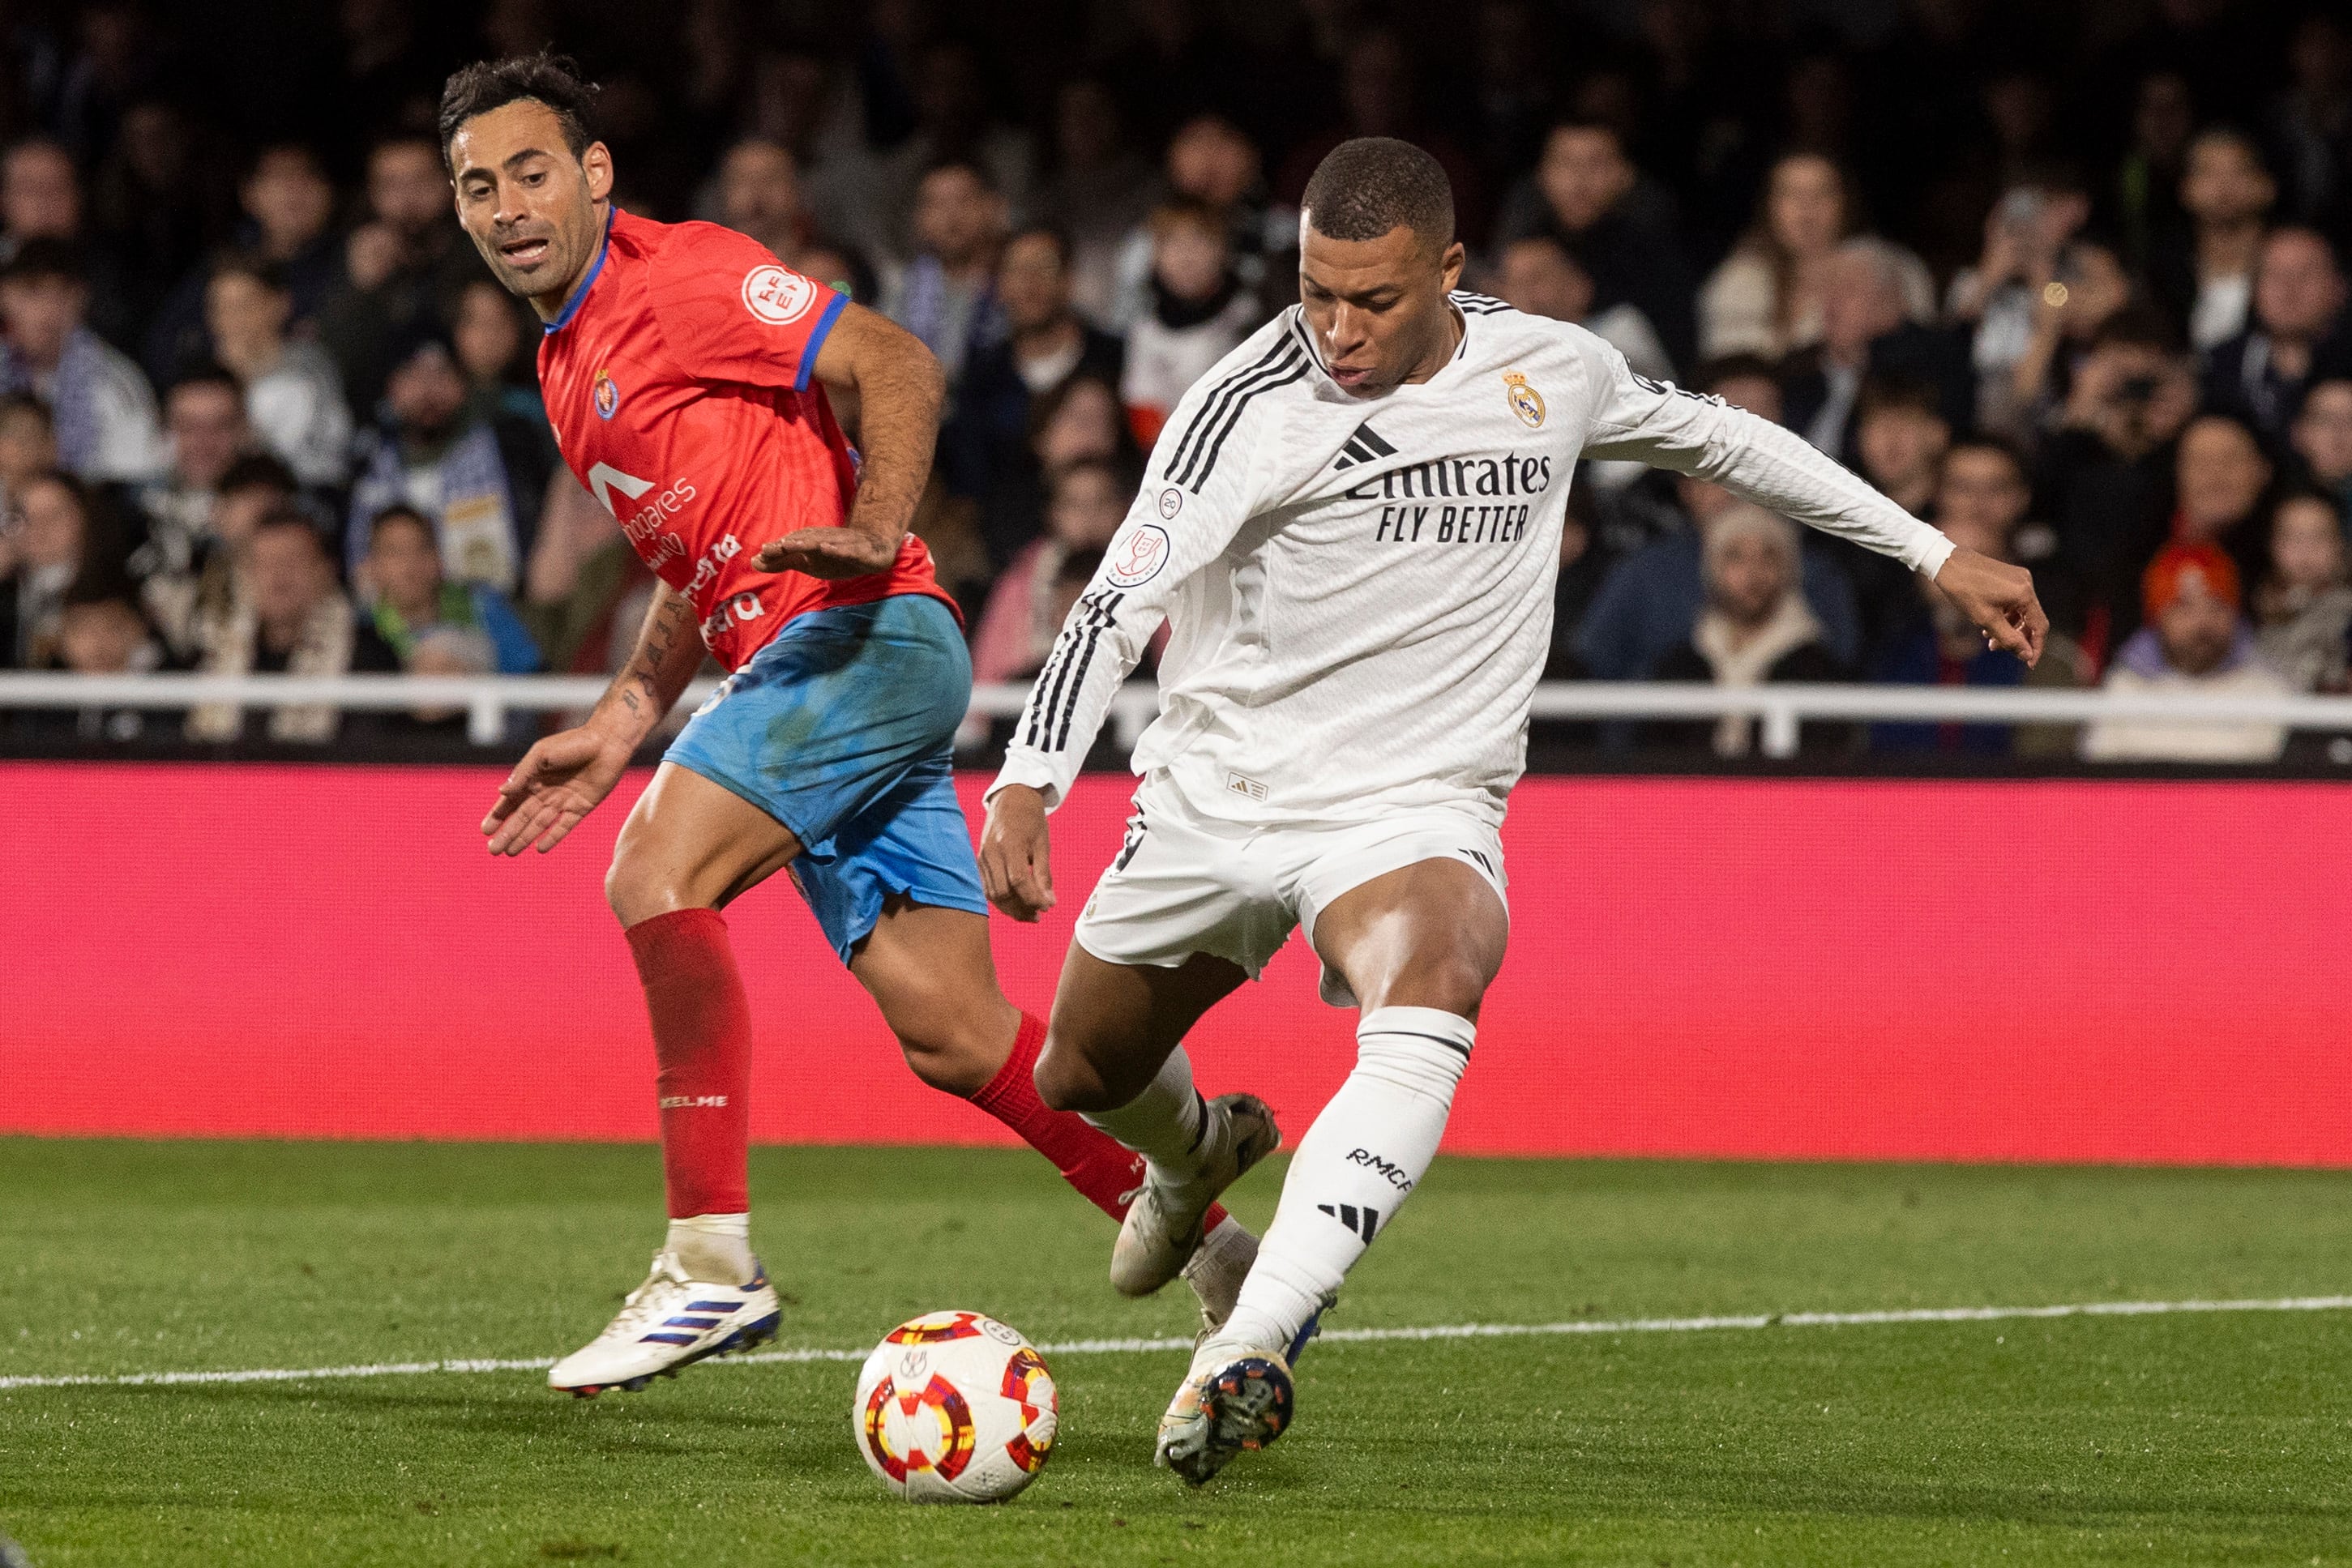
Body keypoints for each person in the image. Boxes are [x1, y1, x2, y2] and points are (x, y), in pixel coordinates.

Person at [975, 138, 2042, 1487]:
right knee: (1084, 1071)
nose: (1338, 331)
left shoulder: (1550, 368)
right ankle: (1195, 1161)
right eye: (1315, 293)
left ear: (1449, 271)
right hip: (1217, 792)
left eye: (1372, 299)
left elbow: (1729, 441)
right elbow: (1117, 599)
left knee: (1439, 969)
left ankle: (1255, 1335)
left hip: (1409, 801)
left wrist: (1935, 552)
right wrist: (1030, 776)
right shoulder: (1245, 405)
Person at [440, 52, 1258, 1401]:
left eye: (533, 171)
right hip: (817, 668)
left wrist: (878, 527)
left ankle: (709, 1267)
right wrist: (625, 714)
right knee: (951, 1029)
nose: (508, 204)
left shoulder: (679, 277)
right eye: (479, 187)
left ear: (594, 174)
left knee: (654, 873)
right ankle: (1213, 1236)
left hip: (863, 639)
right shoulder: (564, 354)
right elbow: (697, 560)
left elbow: (894, 357)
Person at [344, 321, 554, 595]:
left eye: (442, 373)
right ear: (391, 388)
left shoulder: (508, 447)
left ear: (463, 385)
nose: (429, 389)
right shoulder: (369, 470)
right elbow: (361, 575)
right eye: (413, 374)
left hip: (503, 613)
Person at [1644, 504, 1850, 757]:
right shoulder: (1680, 667)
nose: (1753, 573)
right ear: (1713, 570)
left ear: (1788, 570)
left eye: (1768, 556)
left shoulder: (1817, 671)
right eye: (1735, 557)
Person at [184, 508, 400, 745]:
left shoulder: (368, 656)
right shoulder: (213, 652)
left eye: (292, 560)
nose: (277, 576)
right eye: (263, 563)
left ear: (326, 571)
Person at [2080, 543, 2287, 763]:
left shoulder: (2266, 690)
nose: (2203, 622)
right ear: (2157, 618)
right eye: (2184, 607)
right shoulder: (2122, 689)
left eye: (2217, 606)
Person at [0, 237, 164, 481]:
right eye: (31, 292)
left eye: (60, 295)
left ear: (81, 299)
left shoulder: (114, 383)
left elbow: (131, 483)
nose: (46, 311)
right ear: (6, 297)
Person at [204, 254, 353, 489]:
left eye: (245, 305)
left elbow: (317, 464)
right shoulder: (202, 375)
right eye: (221, 307)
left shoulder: (307, 370)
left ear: (280, 305)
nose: (232, 320)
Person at [1119, 199, 1257, 449]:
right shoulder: (1146, 331)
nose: (1186, 255)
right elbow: (1143, 411)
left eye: (1199, 241)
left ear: (1223, 250)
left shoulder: (1251, 315)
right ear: (1154, 256)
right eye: (1172, 243)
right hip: (1176, 460)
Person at [2200, 227, 2352, 442]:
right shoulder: (2220, 366)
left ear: (2340, 287)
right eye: (2274, 274)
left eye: (2306, 274)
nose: (2289, 289)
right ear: (2253, 289)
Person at [362, 503, 541, 675]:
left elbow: (532, 678)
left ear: (439, 558)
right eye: (395, 552)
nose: (410, 565)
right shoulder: (362, 625)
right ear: (373, 566)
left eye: (422, 548)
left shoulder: (482, 605)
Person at [880, 160, 1006, 391]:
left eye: (963, 201)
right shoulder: (901, 290)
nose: (952, 216)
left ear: (992, 207)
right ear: (919, 219)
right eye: (937, 205)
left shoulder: (1011, 282)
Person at [2250, 490, 2352, 691]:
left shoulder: (2347, 612)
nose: (2306, 549)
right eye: (2294, 537)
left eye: (2319, 537)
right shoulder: (2255, 607)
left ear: (2339, 544)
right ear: (2273, 545)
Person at [2291, 377, 2352, 515]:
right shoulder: (2273, 507)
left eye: (2350, 420)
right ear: (2298, 433)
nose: (2339, 435)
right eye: (2324, 420)